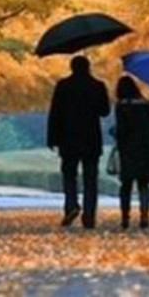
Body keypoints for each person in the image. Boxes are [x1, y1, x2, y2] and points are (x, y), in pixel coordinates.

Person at [47, 55, 110, 228]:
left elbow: (55, 113)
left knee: (69, 175)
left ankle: (71, 206)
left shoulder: (63, 86)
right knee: (91, 178)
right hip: (91, 138)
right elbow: (105, 111)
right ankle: (89, 214)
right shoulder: (98, 86)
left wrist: (52, 138)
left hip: (68, 138)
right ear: (88, 67)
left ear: (72, 67)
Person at [112, 76, 149, 229]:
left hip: (127, 148)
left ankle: (125, 216)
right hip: (146, 147)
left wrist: (115, 132)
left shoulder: (121, 106)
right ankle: (144, 215)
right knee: (144, 183)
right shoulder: (147, 105)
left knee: (126, 184)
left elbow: (121, 130)